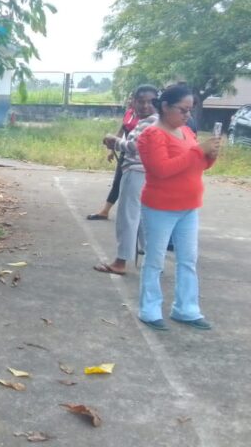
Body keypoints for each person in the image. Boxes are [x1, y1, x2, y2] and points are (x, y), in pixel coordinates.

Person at [136, 84, 220, 331]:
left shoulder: (186, 132)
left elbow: (197, 165)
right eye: (183, 109)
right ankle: (149, 309)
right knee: (155, 260)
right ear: (164, 107)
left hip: (188, 206)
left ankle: (186, 308)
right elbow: (162, 170)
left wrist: (210, 155)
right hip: (161, 206)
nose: (187, 115)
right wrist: (198, 152)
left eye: (189, 110)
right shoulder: (152, 135)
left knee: (188, 259)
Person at [93, 85, 158, 275]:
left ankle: (120, 262)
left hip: (137, 171)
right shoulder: (155, 120)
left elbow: (135, 146)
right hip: (149, 173)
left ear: (158, 102)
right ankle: (152, 260)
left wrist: (114, 141)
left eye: (150, 101)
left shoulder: (149, 122)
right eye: (141, 101)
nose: (145, 105)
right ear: (134, 102)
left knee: (128, 217)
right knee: (144, 218)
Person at [87, 94, 138, 220]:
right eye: (130, 98)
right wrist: (112, 148)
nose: (130, 100)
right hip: (125, 150)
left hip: (137, 154)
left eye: (133, 99)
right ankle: (105, 211)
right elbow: (121, 131)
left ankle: (136, 215)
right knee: (118, 181)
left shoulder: (145, 118)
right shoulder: (129, 113)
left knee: (134, 186)